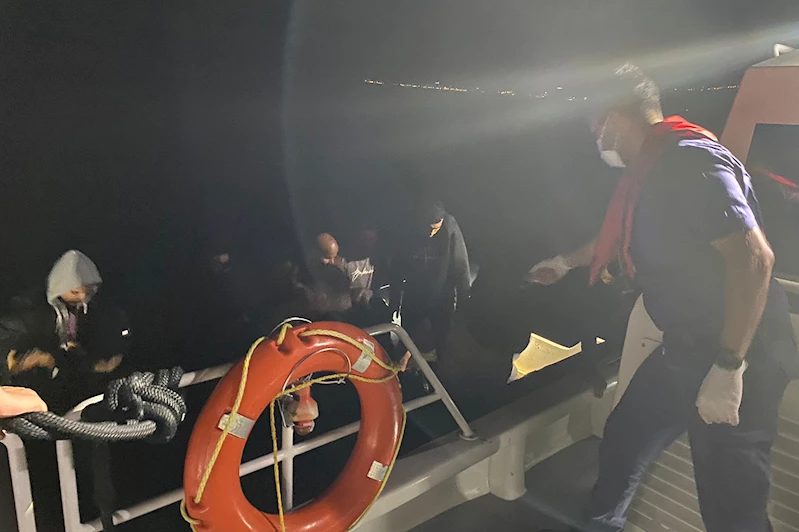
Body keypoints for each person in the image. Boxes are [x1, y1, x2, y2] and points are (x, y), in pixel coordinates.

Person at [530, 65, 797, 532]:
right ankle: (602, 520)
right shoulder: (649, 169)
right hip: (685, 346)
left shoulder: (689, 163)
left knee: (731, 505)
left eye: (595, 127)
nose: (596, 139)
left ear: (615, 120)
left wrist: (728, 367)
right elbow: (619, 232)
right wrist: (565, 262)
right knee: (626, 434)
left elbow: (755, 259)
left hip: (738, 353)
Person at [0, 250, 130, 414]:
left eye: (88, 291)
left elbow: (108, 339)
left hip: (71, 384)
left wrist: (96, 363)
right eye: (75, 292)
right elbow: (6, 336)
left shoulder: (91, 309)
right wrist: (15, 365)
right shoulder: (31, 309)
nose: (82, 297)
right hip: (32, 386)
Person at [391, 200, 471, 362]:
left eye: (435, 228)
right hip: (414, 295)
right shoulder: (406, 230)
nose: (430, 233)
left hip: (442, 297)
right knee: (406, 341)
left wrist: (464, 302)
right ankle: (398, 371)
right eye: (427, 227)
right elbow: (397, 268)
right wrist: (395, 301)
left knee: (443, 342)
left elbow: (461, 265)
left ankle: (441, 372)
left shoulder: (450, 228)